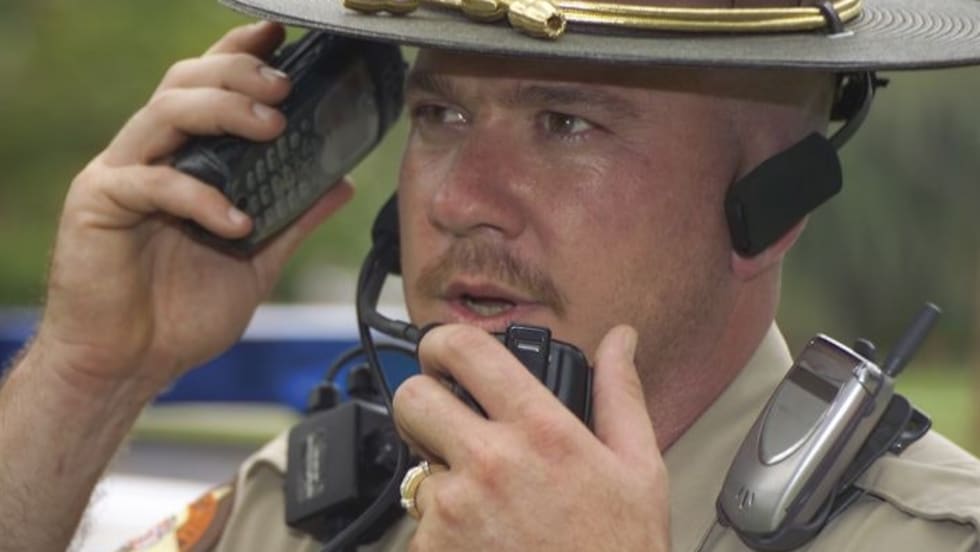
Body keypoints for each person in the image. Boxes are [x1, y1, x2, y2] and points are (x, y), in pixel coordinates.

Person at [2, 0, 980, 550]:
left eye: (566, 124)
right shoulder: (325, 505)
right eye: (441, 116)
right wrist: (92, 374)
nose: (459, 198)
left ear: (773, 206)